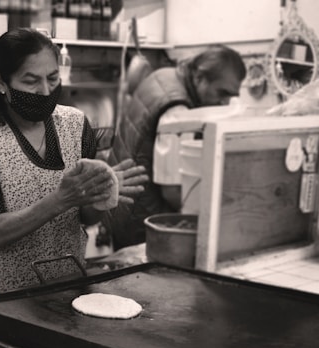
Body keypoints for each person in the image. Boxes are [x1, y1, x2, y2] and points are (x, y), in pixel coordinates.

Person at [0, 28, 147, 294]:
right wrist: (61, 199)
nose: (45, 91)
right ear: (1, 83)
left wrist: (101, 196)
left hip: (69, 286)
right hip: (7, 298)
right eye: (31, 81)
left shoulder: (76, 125)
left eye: (53, 78)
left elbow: (85, 217)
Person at [103, 44, 247, 251]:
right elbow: (172, 190)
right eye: (221, 93)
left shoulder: (166, 75)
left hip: (123, 205)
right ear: (199, 78)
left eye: (230, 96)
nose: (224, 103)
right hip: (141, 220)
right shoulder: (177, 111)